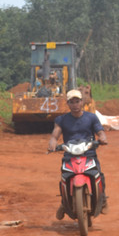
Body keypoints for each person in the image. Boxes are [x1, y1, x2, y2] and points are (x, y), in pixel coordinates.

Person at [47, 88, 109, 219]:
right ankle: (64, 203)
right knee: (64, 177)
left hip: (89, 153)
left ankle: (103, 201)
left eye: (77, 101)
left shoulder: (91, 117)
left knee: (100, 175)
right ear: (67, 104)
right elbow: (55, 135)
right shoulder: (61, 120)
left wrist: (102, 137)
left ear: (82, 102)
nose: (75, 105)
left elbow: (100, 130)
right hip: (69, 155)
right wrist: (52, 143)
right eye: (71, 102)